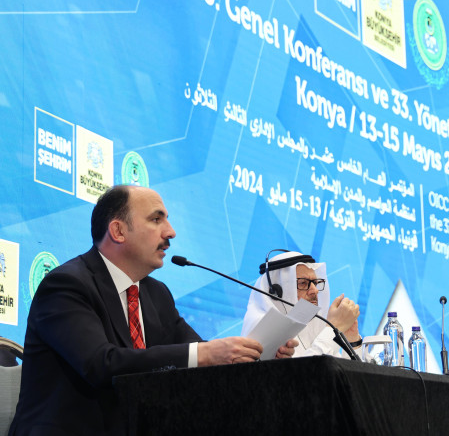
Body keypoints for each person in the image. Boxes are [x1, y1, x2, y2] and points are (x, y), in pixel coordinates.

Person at [10, 185, 296, 435]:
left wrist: (258, 354)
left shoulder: (156, 294)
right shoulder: (67, 285)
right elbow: (101, 365)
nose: (171, 232)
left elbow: (200, 358)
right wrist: (206, 354)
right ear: (118, 231)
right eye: (156, 219)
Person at [242, 250, 363, 358]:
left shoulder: (314, 327)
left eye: (315, 283)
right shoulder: (260, 327)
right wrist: (334, 327)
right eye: (303, 283)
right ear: (276, 291)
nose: (315, 290)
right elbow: (306, 373)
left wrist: (352, 341)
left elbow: (341, 374)